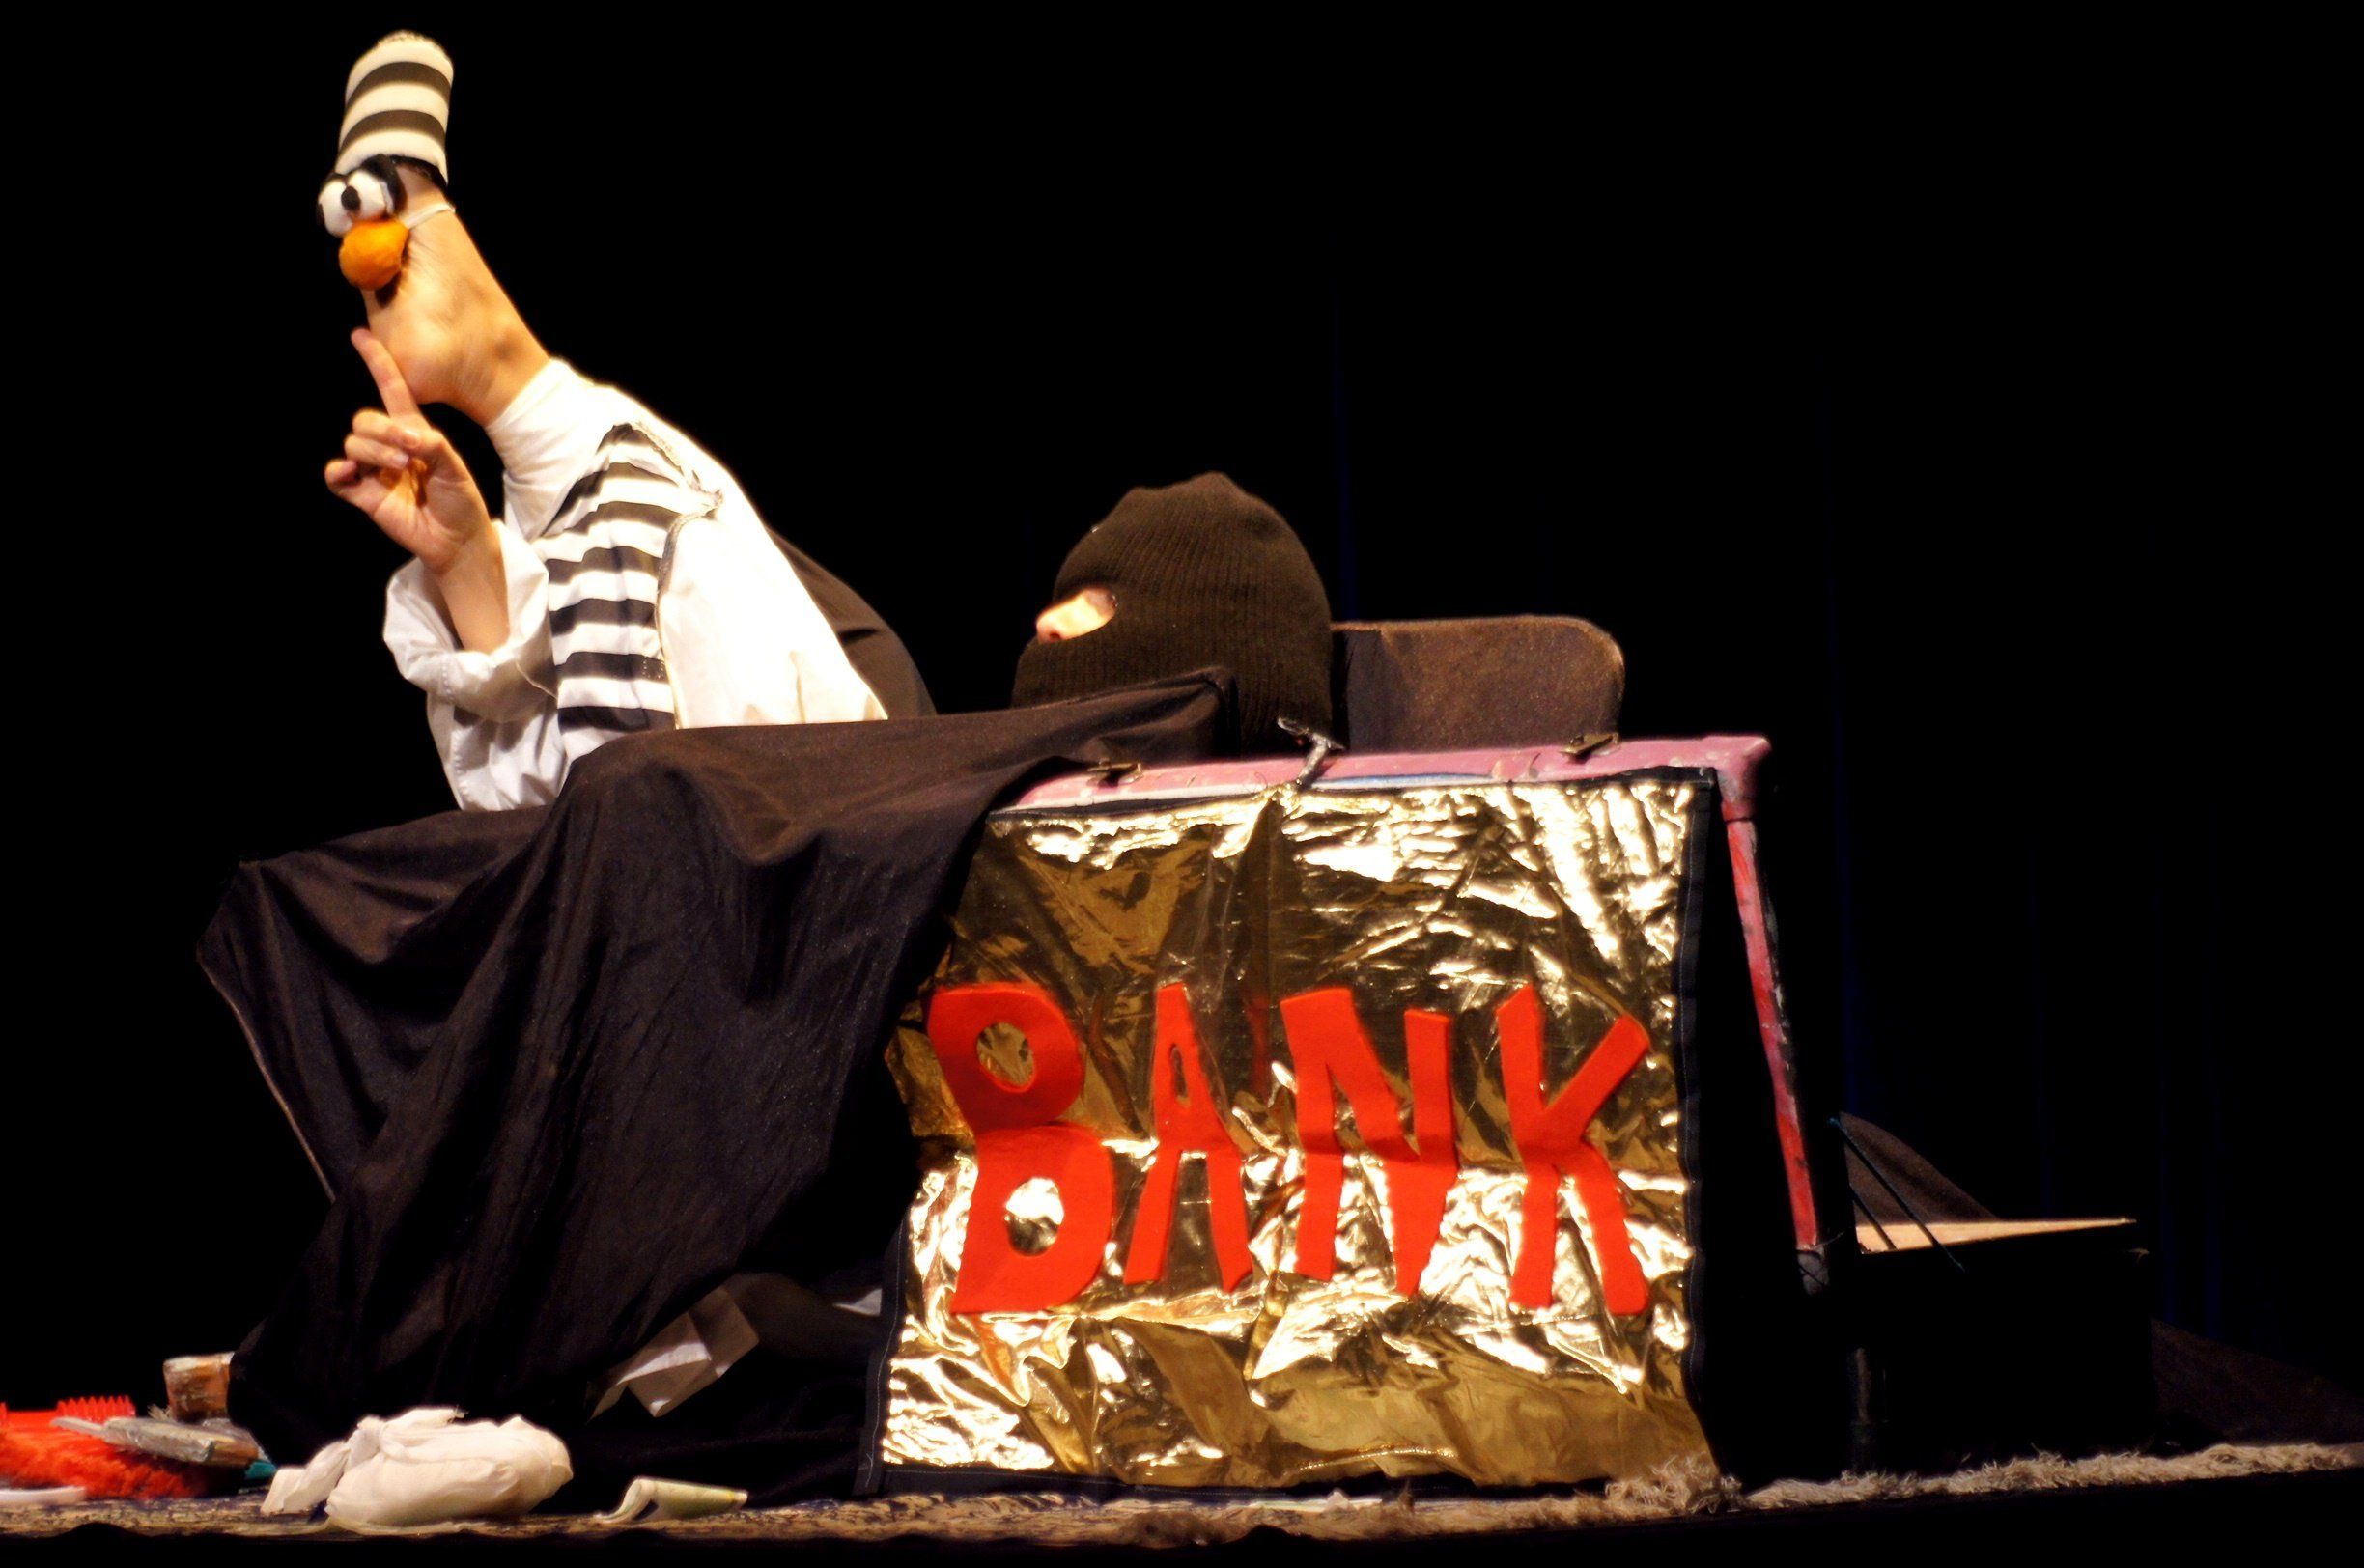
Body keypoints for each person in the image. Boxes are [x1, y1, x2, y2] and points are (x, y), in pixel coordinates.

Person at [315, 33, 925, 812]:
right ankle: (511, 381)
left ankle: (510, 377)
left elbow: (608, 818)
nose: (1050, 626)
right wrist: (469, 564)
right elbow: (611, 793)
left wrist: (467, 559)